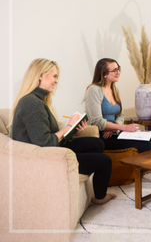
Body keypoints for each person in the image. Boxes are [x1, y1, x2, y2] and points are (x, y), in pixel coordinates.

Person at [10, 58, 116, 204]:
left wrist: (74, 131)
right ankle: (99, 197)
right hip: (43, 159)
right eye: (54, 76)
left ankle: (82, 168)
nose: (56, 81)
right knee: (105, 161)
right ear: (41, 75)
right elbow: (45, 142)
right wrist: (68, 127)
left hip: (49, 150)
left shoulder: (38, 100)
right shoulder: (31, 103)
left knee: (97, 143)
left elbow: (48, 136)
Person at [83, 58, 151, 152]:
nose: (118, 72)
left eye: (118, 69)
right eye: (114, 70)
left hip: (114, 132)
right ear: (104, 74)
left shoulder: (115, 89)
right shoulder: (94, 90)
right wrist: (124, 127)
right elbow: (97, 121)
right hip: (101, 136)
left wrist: (113, 127)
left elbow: (121, 115)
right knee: (144, 143)